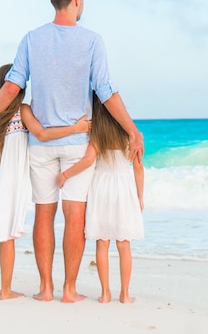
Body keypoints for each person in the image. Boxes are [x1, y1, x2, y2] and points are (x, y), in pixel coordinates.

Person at [0, 0, 144, 303]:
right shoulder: (92, 41)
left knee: (44, 214)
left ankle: (46, 289)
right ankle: (69, 290)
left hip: (41, 144)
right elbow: (106, 91)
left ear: (55, 0)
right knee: (75, 217)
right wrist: (132, 130)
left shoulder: (32, 39)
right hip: (77, 140)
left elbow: (11, 86)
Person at [0, 63, 89, 300]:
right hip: (8, 183)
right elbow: (43, 134)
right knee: (6, 233)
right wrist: (76, 128)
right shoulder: (21, 111)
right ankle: (5, 290)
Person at [57, 92, 144, 304]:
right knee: (124, 244)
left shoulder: (96, 132)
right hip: (123, 189)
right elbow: (139, 169)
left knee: (102, 243)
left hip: (101, 188)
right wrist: (140, 197)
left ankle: (105, 294)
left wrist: (65, 174)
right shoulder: (130, 134)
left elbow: (88, 160)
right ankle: (124, 294)